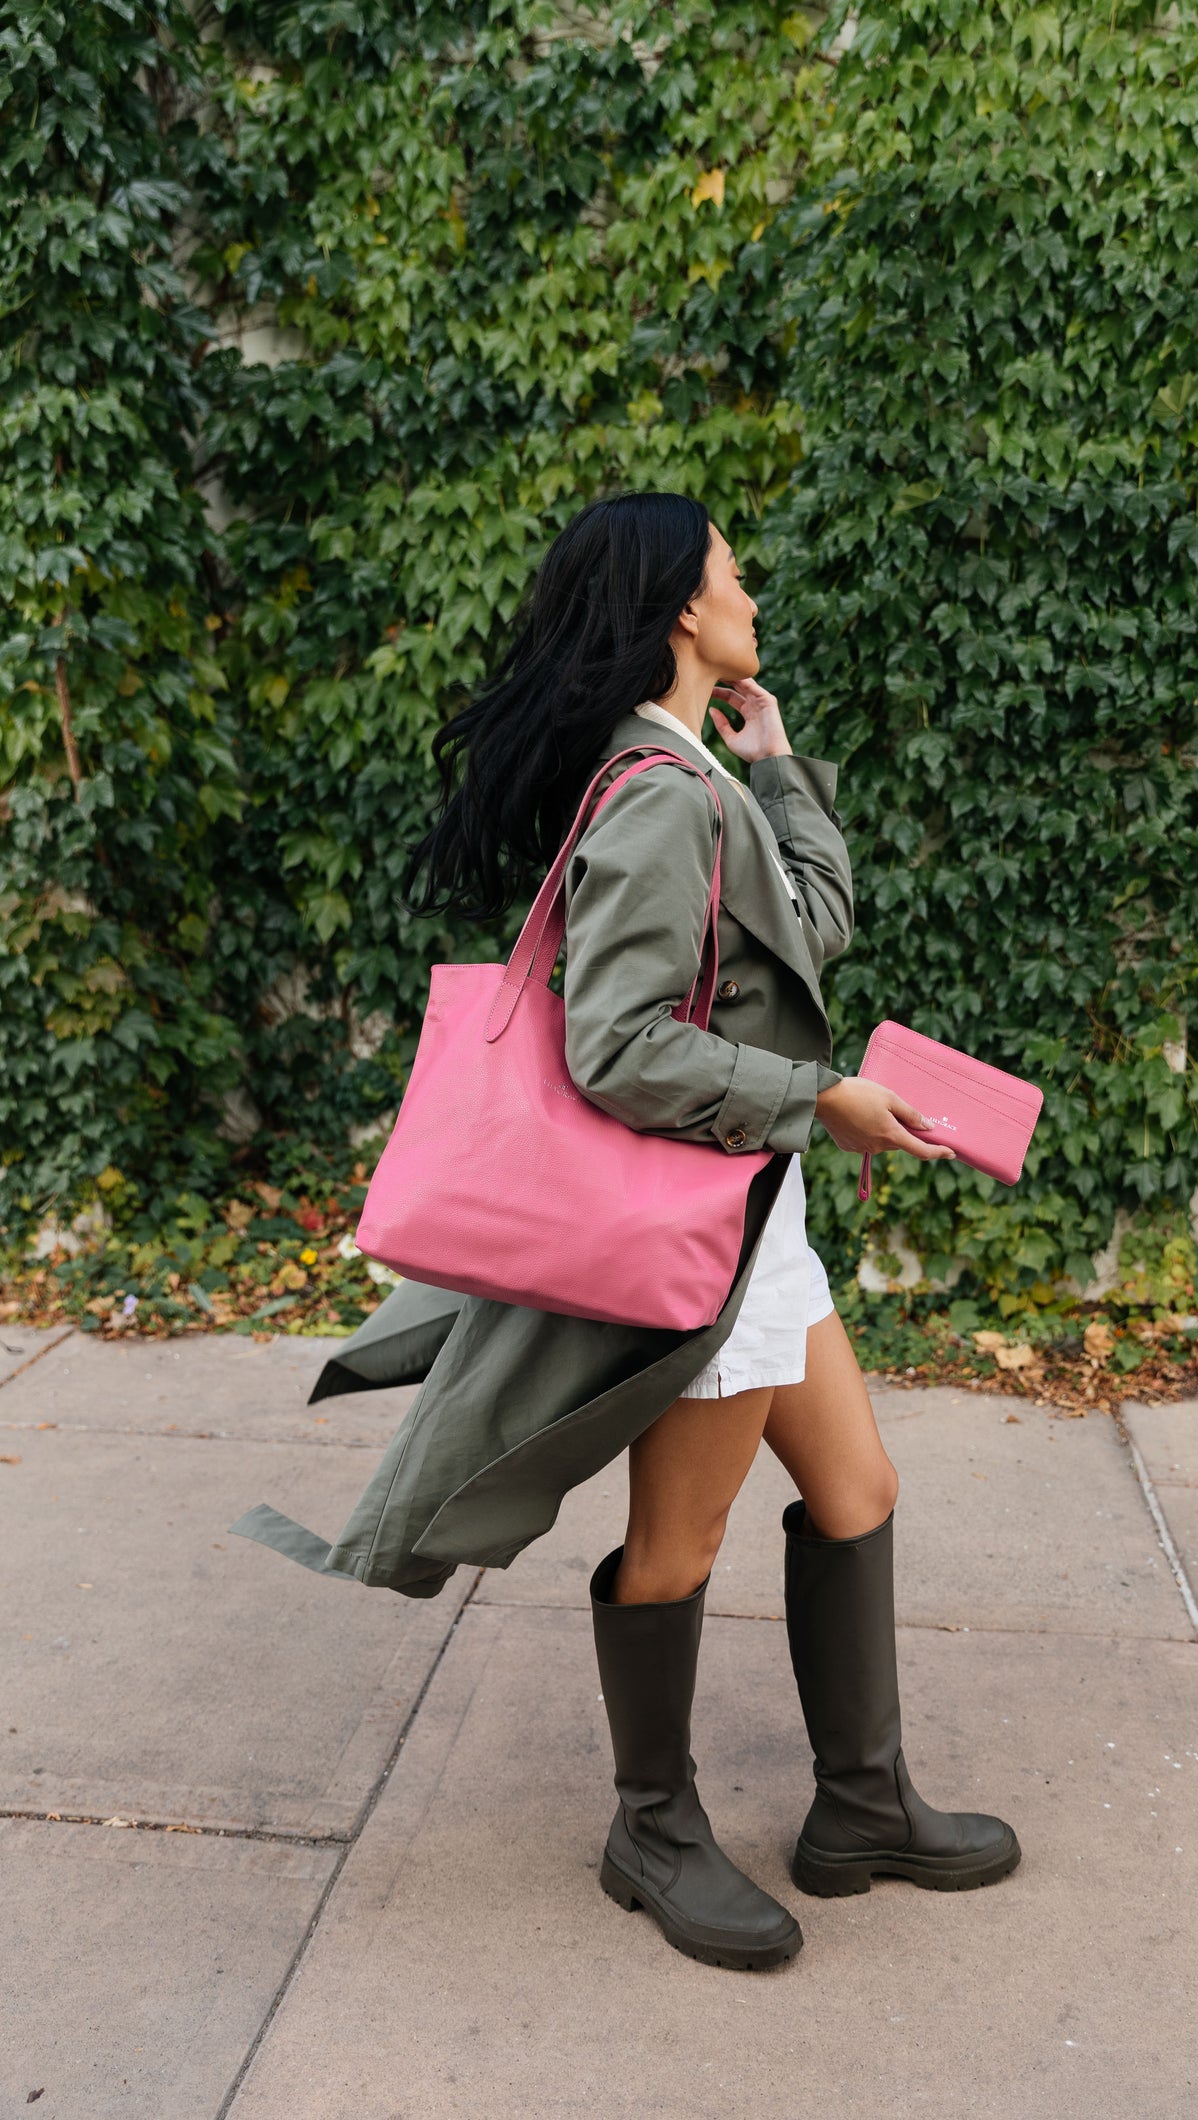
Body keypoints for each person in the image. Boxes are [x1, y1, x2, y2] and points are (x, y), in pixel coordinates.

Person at [233, 491, 1019, 1971]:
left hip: (753, 1211)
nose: (750, 590)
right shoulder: (655, 794)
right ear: (678, 610)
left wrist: (781, 777)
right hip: (702, 1228)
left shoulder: (693, 774)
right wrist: (819, 1099)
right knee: (679, 1537)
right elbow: (616, 1050)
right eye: (731, 571)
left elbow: (812, 930)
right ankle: (649, 1827)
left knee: (855, 1490)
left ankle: (860, 1805)